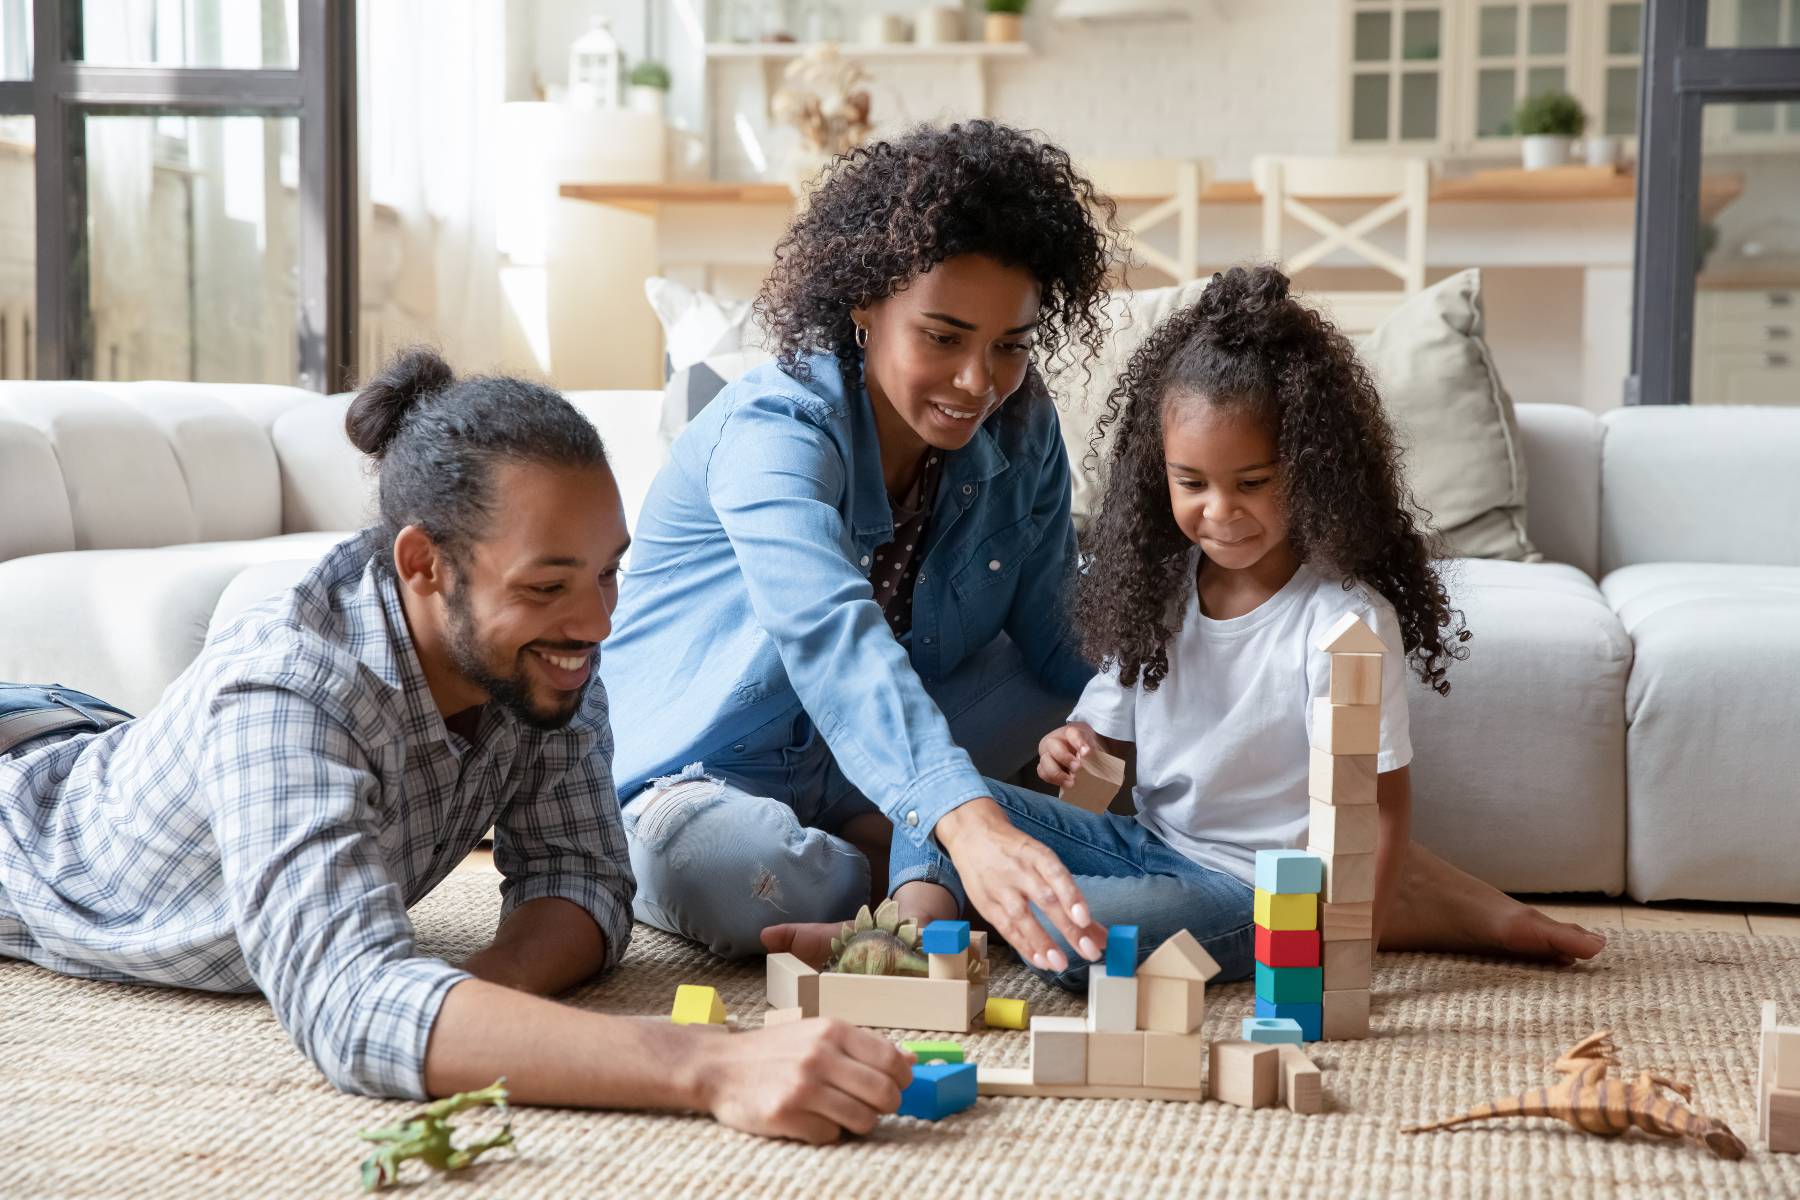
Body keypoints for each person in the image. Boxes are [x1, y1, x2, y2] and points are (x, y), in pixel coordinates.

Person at [0, 349, 910, 1143]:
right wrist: (715, 1067)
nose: (598, 620)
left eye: (607, 570)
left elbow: (585, 882)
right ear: (423, 565)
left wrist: (483, 1000)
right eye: (550, 584)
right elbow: (348, 1007)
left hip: (90, 729)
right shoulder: (286, 687)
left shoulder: (545, 657)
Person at [871, 264, 1608, 984]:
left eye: (1251, 483)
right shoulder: (1158, 590)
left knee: (1087, 935)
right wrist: (1073, 748)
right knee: (942, 798)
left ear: (1312, 470)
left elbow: (1379, 811)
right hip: (1146, 846)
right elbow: (1103, 745)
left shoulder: (1342, 621)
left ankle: (983, 924)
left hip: (1255, 893)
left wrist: (1349, 952)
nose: (1219, 513)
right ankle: (913, 949)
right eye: (1191, 483)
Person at [601, 120, 1122, 973]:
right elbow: (833, 636)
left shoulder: (1023, 430)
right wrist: (971, 820)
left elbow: (1060, 635)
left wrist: (1168, 711)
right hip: (712, 769)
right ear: (864, 303)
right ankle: (939, 863)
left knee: (1102, 697)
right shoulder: (774, 428)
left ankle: (914, 857)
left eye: (1010, 346)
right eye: (944, 337)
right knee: (742, 874)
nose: (978, 383)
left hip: (880, 753)